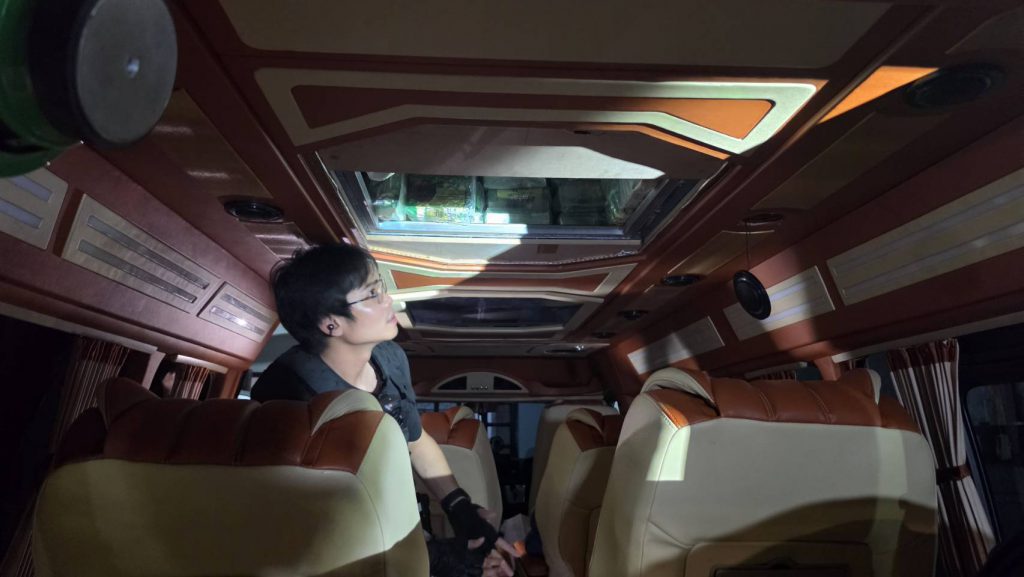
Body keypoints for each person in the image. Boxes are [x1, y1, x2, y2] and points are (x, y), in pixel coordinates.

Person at [252, 243, 518, 576]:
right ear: (330, 324)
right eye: (372, 294)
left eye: (381, 288)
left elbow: (415, 441)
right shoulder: (287, 390)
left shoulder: (390, 358)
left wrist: (462, 510)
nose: (388, 300)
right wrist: (437, 558)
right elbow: (300, 513)